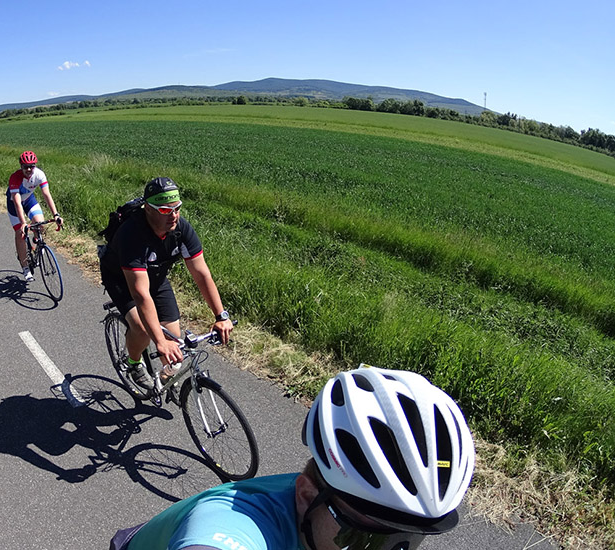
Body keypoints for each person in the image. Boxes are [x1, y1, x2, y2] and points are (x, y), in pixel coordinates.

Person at [111, 364, 476, 550]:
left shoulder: (325, 521)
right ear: (305, 496)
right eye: (365, 541)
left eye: (407, 542)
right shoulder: (238, 522)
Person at [99, 176, 233, 392]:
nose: (174, 215)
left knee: (175, 342)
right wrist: (159, 341)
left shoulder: (181, 229)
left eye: (177, 208)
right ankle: (133, 363)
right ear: (148, 209)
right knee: (143, 330)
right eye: (165, 210)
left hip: (156, 277)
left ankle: (164, 381)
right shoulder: (132, 234)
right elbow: (141, 294)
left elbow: (201, 274)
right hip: (121, 279)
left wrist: (221, 316)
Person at [6, 150, 63, 282]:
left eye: (32, 166)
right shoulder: (15, 178)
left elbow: (46, 194)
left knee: (40, 223)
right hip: (14, 205)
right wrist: (23, 223)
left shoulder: (39, 175)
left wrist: (56, 214)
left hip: (29, 200)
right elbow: (17, 203)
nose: (29, 169)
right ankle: (25, 267)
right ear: (21, 166)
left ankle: (37, 246)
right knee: (20, 234)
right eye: (26, 166)